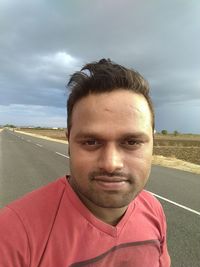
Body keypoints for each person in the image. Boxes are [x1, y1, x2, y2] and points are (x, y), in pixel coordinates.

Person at [0, 59, 171, 266]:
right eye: (91, 142)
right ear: (69, 142)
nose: (111, 164)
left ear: (153, 144)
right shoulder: (12, 233)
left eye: (132, 142)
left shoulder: (154, 209)